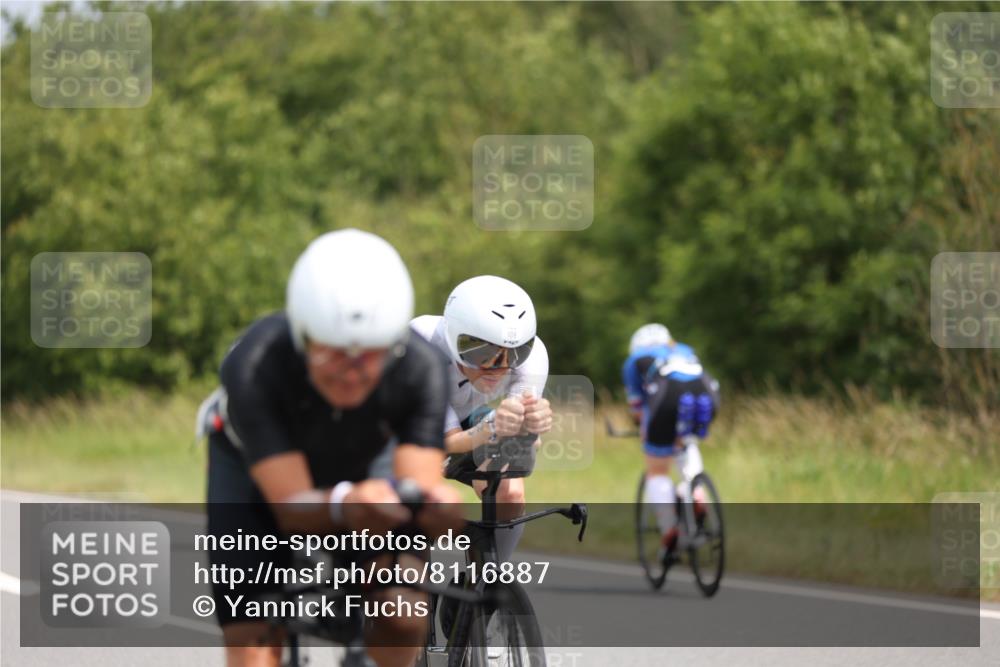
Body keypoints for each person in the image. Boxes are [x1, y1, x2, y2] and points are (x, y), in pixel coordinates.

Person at [198, 229, 462, 667]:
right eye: (331, 353)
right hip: (253, 471)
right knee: (252, 638)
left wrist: (435, 509)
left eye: (371, 355)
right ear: (302, 338)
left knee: (402, 610)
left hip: (361, 458)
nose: (351, 373)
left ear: (396, 345)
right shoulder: (255, 364)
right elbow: (290, 507)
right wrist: (344, 503)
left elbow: (417, 492)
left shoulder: (421, 370)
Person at [410, 275, 552, 563]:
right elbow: (447, 442)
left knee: (508, 491)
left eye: (515, 353)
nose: (498, 367)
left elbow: (519, 439)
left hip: (467, 418)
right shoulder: (421, 345)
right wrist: (491, 428)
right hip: (409, 420)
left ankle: (486, 580)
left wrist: (529, 429)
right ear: (454, 340)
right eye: (484, 353)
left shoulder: (534, 358)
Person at [622, 323, 719, 555]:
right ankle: (694, 492)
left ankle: (669, 528)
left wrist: (643, 427)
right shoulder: (685, 349)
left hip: (667, 397)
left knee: (657, 469)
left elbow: (638, 408)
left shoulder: (634, 360)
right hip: (708, 394)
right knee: (687, 441)